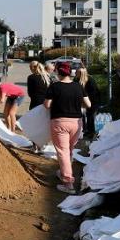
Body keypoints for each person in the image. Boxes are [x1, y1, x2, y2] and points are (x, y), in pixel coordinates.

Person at [44, 62, 91, 194]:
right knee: (69, 150)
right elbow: (88, 104)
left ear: (58, 73)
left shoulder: (54, 86)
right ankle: (63, 172)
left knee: (63, 151)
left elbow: (47, 105)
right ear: (70, 73)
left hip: (60, 122)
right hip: (76, 122)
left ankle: (68, 183)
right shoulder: (78, 86)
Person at [76, 68, 100, 139]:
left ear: (81, 73)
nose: (75, 74)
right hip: (83, 101)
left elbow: (94, 93)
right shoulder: (76, 80)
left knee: (91, 117)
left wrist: (85, 100)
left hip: (93, 102)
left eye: (76, 73)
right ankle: (86, 130)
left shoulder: (90, 80)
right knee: (84, 116)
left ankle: (92, 133)